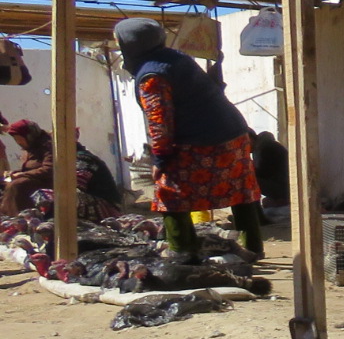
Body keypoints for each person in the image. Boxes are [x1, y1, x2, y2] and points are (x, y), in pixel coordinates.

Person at [114, 17, 265, 258]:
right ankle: (252, 247)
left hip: (201, 140)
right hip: (234, 132)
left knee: (169, 194)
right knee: (241, 190)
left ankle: (183, 251)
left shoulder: (152, 76)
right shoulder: (177, 58)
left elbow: (159, 123)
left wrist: (159, 161)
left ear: (129, 44)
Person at [1, 117, 123, 220]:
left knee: (54, 197)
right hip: (87, 199)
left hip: (107, 207)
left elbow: (72, 186)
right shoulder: (67, 157)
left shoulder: (83, 159)